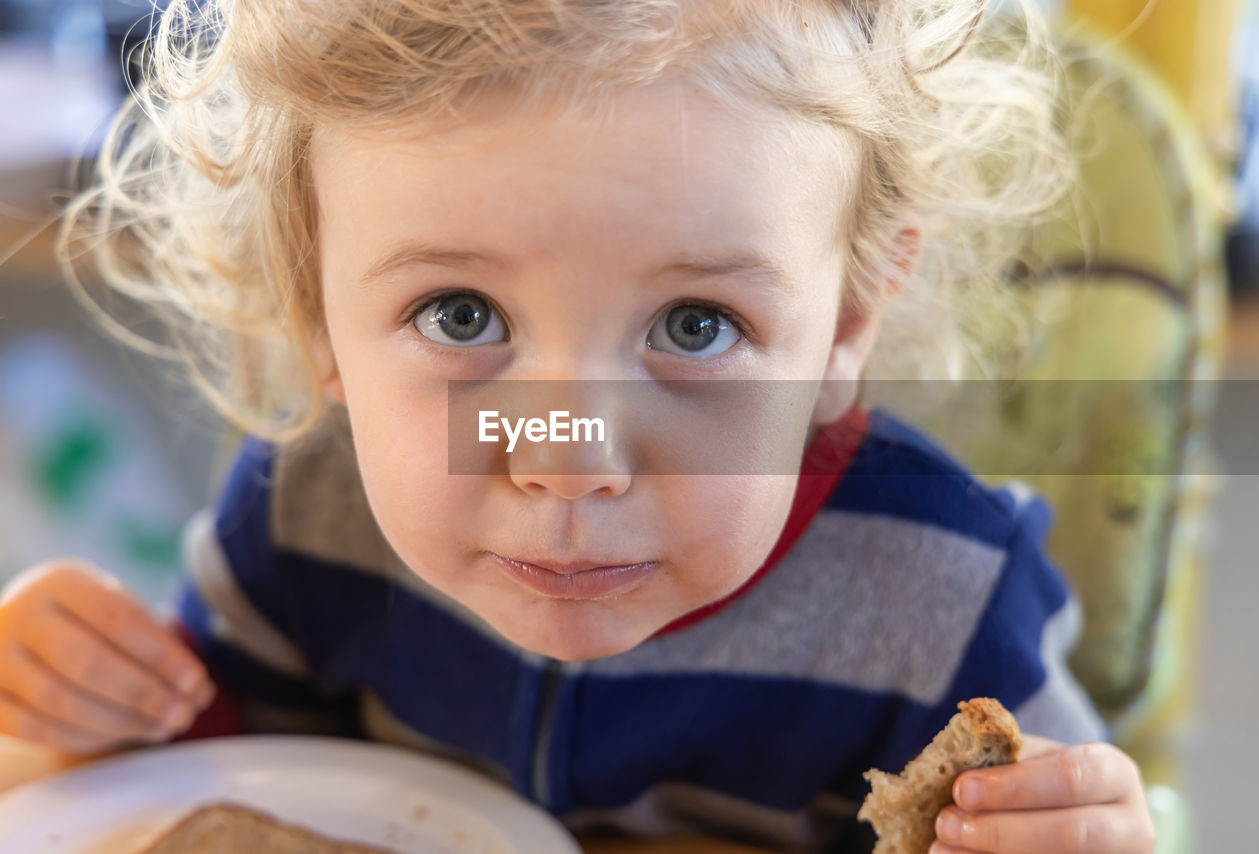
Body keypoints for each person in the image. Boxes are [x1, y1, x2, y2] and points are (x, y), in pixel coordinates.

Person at [0, 1, 1156, 851]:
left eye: (695, 325)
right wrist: (78, 706)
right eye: (461, 315)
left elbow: (1059, 812)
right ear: (317, 315)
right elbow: (212, 780)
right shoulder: (307, 507)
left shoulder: (937, 593)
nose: (566, 459)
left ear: (845, 317)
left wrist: (1073, 832)